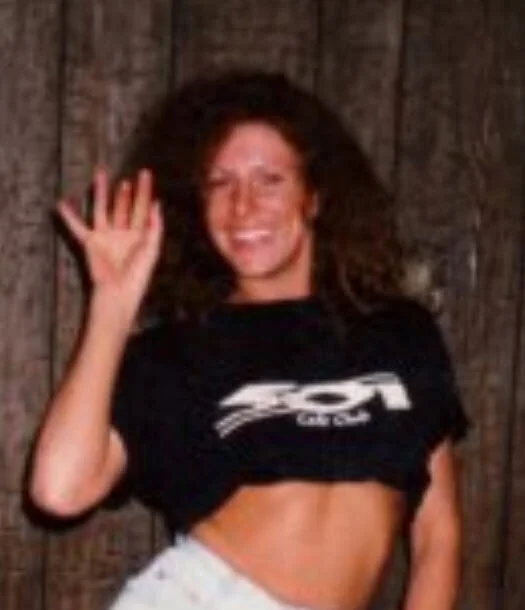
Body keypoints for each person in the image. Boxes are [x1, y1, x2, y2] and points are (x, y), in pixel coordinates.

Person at [29, 71, 469, 610]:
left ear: (314, 196)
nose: (243, 206)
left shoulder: (400, 332)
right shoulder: (177, 352)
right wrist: (112, 304)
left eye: (269, 180)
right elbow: (58, 491)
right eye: (220, 184)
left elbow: (437, 536)